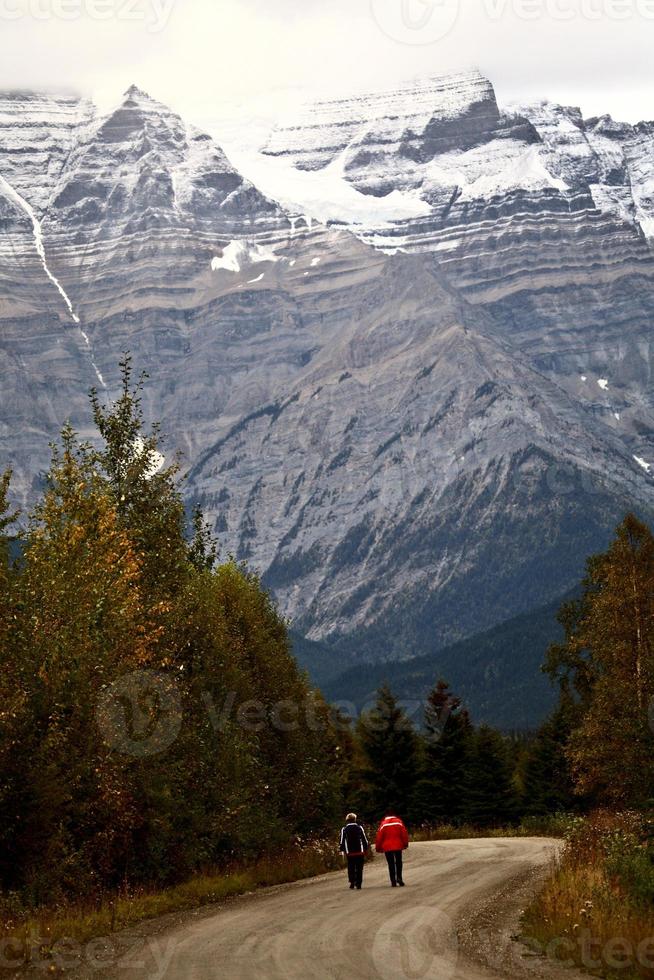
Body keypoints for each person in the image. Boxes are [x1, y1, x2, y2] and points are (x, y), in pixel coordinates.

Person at [375, 813, 409, 887]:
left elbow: (379, 837)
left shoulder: (383, 824)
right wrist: (405, 844)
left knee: (391, 863)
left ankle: (393, 881)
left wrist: (378, 848)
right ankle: (399, 877)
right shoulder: (399, 822)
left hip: (387, 847)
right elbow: (404, 833)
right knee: (399, 862)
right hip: (398, 845)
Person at [339, 812, 369, 889]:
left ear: (347, 820)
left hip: (350, 852)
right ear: (355, 819)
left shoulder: (344, 829)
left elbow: (342, 841)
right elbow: (364, 839)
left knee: (351, 867)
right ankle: (359, 883)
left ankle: (352, 882)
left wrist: (342, 850)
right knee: (359, 868)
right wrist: (366, 848)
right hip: (360, 851)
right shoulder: (360, 828)